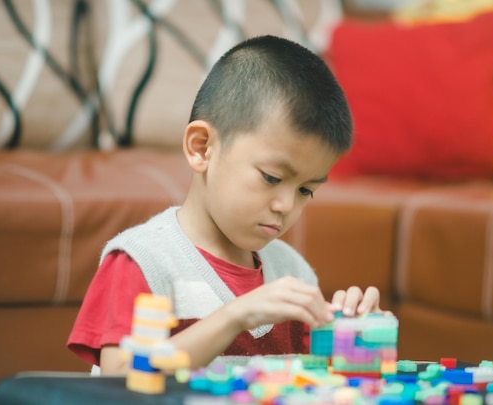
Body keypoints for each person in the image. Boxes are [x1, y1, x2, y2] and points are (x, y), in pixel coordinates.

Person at [67, 35, 385, 375]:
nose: (285, 205)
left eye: (306, 190)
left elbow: (319, 380)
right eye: (272, 178)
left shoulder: (293, 274)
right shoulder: (143, 260)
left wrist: (358, 339)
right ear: (202, 148)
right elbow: (120, 378)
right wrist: (235, 316)